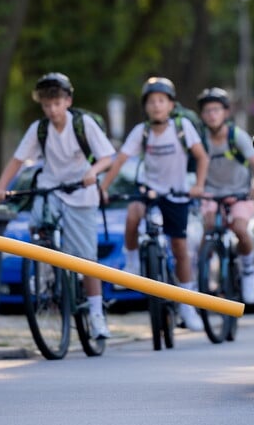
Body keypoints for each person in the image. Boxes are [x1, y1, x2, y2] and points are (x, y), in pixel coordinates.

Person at [0, 72, 115, 340]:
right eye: (47, 105)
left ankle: (96, 315)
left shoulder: (83, 124)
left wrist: (93, 171)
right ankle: (46, 272)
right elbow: (17, 159)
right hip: (52, 187)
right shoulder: (40, 128)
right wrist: (1, 186)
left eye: (57, 103)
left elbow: (107, 156)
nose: (52, 110)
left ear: (68, 101)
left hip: (81, 190)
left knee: (86, 259)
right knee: (37, 221)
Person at [100, 77, 208, 332]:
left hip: (177, 192)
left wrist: (199, 185)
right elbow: (120, 159)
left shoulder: (182, 128)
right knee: (132, 215)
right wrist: (103, 188)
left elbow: (202, 157)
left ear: (171, 105)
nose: (156, 106)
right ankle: (133, 261)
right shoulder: (142, 131)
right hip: (149, 190)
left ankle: (187, 304)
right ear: (145, 107)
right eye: (151, 102)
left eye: (161, 101)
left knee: (179, 246)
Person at [196, 87, 254, 305]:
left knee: (239, 228)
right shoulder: (200, 139)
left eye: (216, 110)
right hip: (211, 194)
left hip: (240, 194)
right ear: (202, 115)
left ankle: (247, 270)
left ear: (225, 113)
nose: (212, 115)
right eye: (207, 111)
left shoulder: (237, 136)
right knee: (207, 230)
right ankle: (203, 277)